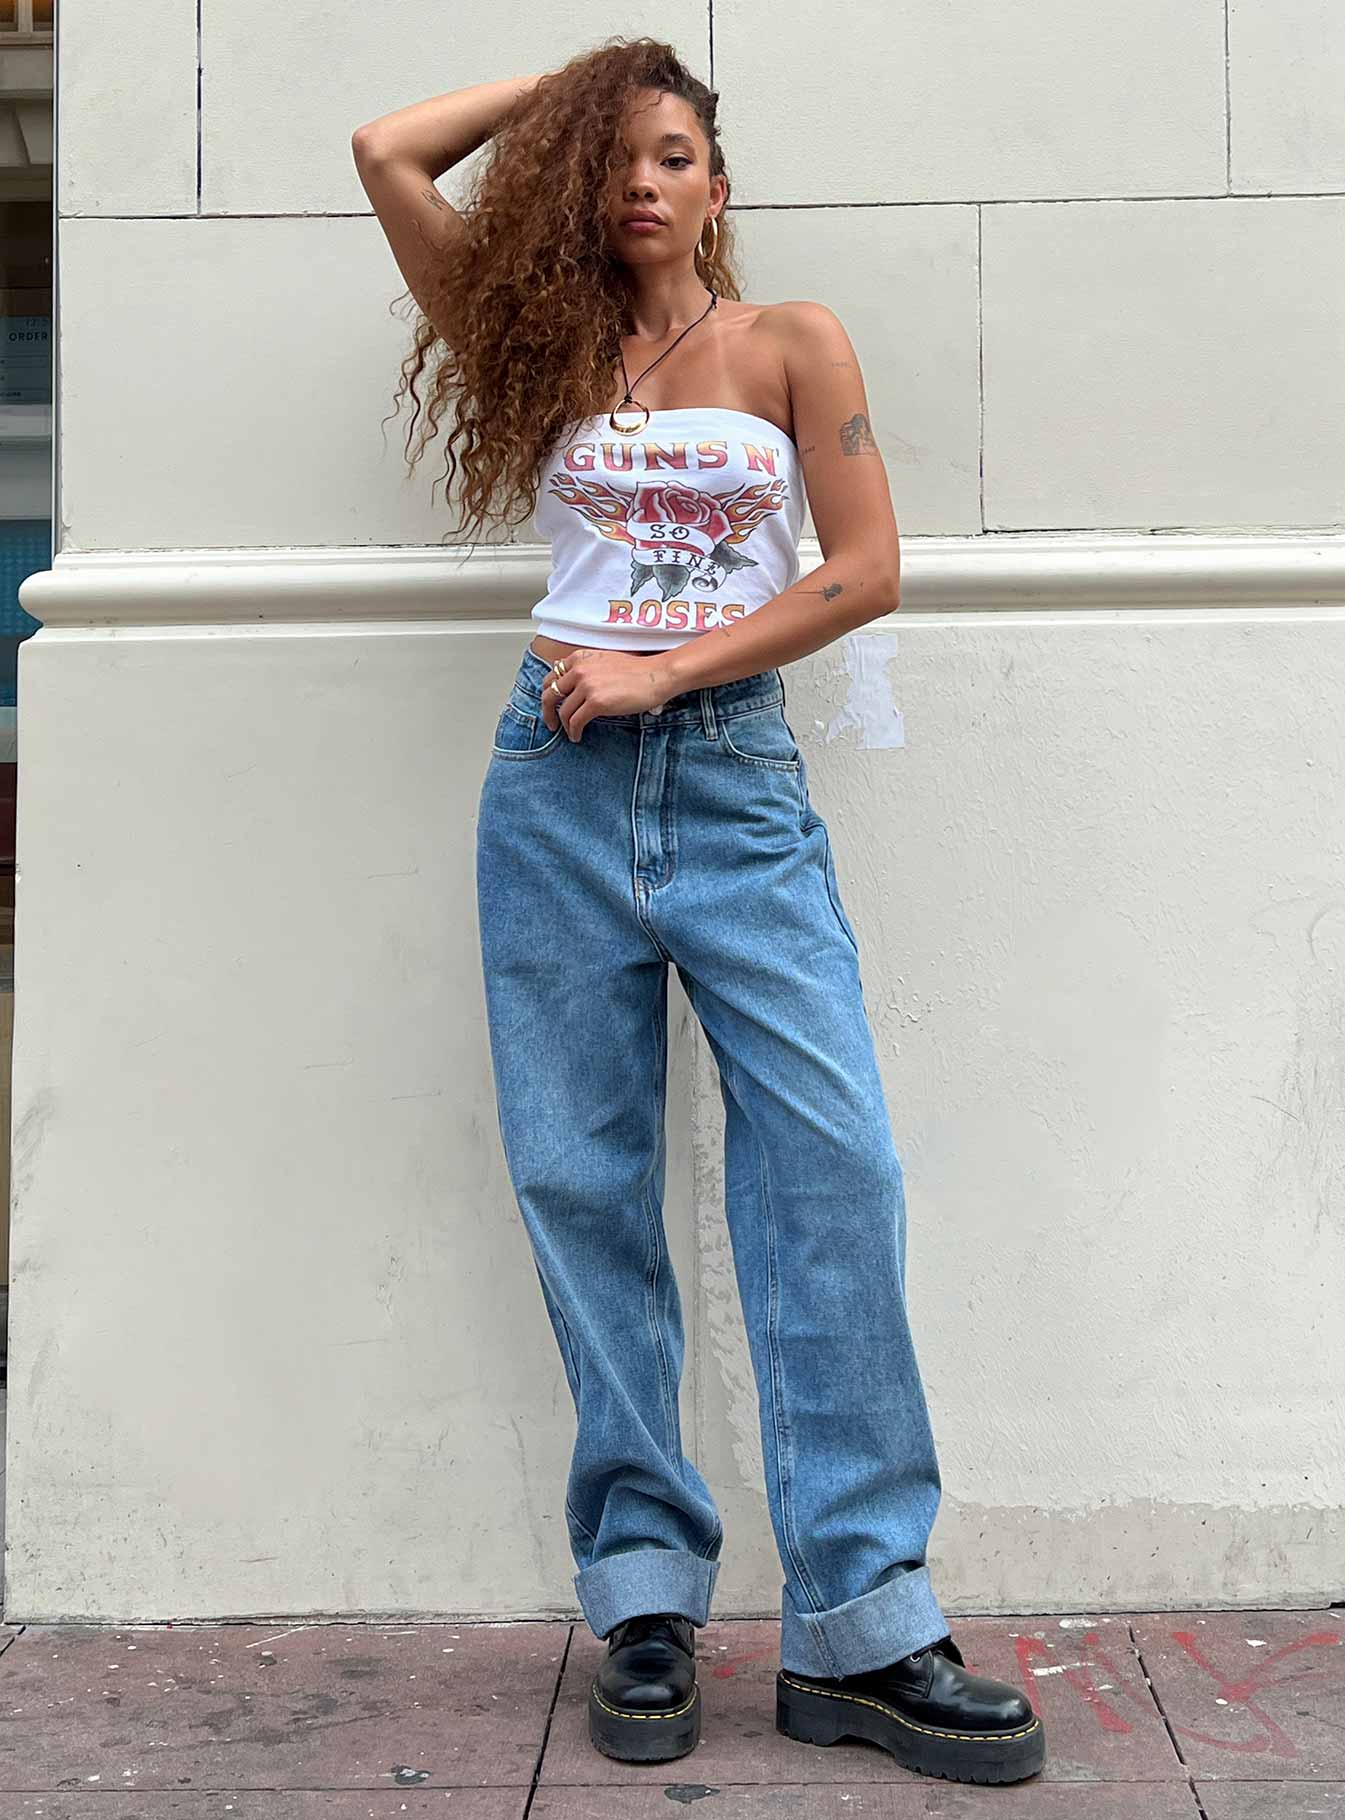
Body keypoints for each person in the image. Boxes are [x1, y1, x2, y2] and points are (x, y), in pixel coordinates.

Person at [352, 37, 1045, 1785]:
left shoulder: (791, 342)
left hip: (728, 781)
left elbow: (863, 569)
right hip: (556, 787)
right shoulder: (547, 347)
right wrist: (563, 90)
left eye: (673, 153)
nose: (645, 181)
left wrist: (667, 670)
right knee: (584, 1179)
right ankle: (645, 1595)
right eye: (620, 157)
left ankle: (864, 1624)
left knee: (833, 1163)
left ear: (718, 185)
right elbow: (383, 153)